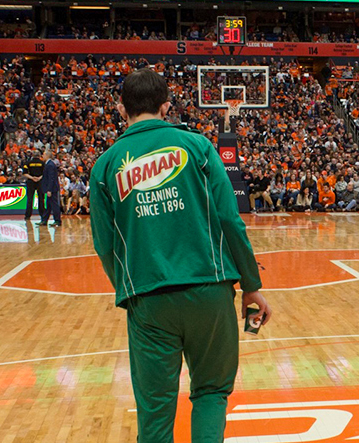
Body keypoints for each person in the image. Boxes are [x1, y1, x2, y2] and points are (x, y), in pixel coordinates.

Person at [89, 68, 271, 443]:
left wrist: (129, 288)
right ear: (166, 106)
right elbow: (229, 220)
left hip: (149, 299)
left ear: (122, 109)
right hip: (210, 290)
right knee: (210, 393)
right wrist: (251, 285)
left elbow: (104, 245)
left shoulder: (105, 167)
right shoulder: (198, 146)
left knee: (155, 410)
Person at [37, 151, 62, 227]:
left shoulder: (50, 165)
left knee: (54, 205)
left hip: (52, 189)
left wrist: (49, 190)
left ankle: (57, 220)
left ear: (47, 156)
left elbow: (51, 178)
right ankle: (44, 220)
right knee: (48, 205)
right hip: (51, 188)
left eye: (44, 155)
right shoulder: (48, 164)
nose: (42, 156)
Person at [23, 151, 46, 220]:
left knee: (30, 199)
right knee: (41, 199)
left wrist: (32, 178)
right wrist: (39, 178)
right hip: (40, 181)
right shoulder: (42, 163)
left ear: (32, 155)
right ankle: (43, 215)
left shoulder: (28, 163)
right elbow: (45, 173)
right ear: (39, 155)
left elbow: (25, 173)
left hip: (31, 181)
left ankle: (28, 216)